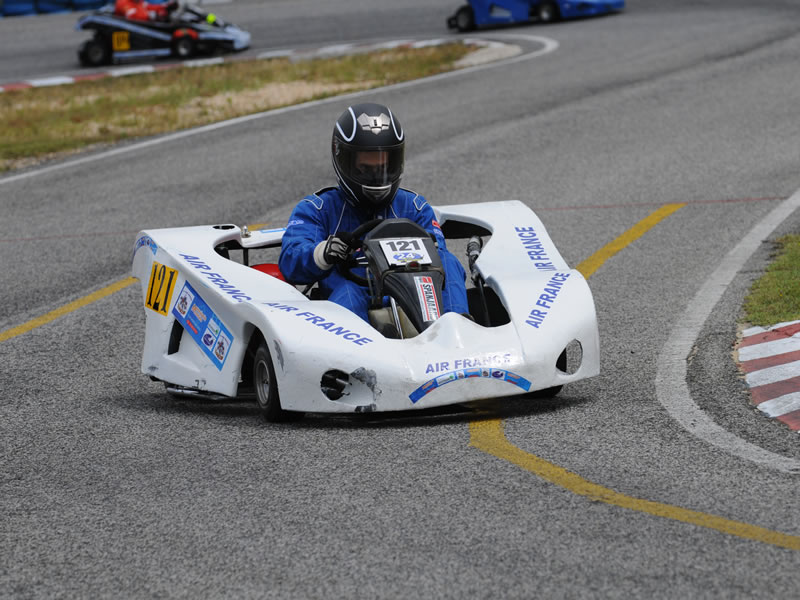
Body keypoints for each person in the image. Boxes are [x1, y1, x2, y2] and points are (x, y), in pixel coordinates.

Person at [278, 102, 470, 328]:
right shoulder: (318, 208)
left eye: (384, 166)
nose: (377, 175)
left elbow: (437, 250)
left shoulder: (414, 207)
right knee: (344, 287)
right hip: (355, 296)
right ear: (343, 159)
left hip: (414, 294)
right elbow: (290, 258)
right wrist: (324, 253)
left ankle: (457, 330)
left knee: (447, 261)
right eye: (365, 168)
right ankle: (355, 355)